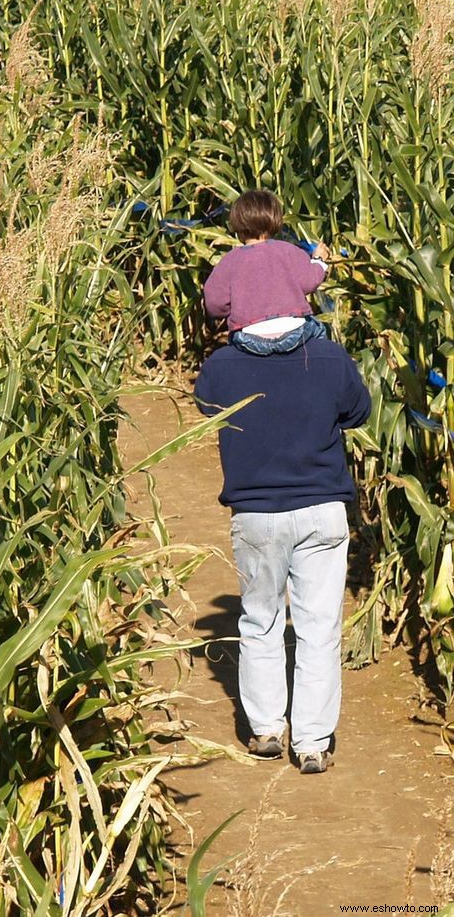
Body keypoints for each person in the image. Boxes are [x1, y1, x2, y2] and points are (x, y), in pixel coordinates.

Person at [193, 334, 371, 773]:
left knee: (260, 620)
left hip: (256, 514)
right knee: (319, 627)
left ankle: (267, 729)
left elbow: (205, 405)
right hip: (322, 511)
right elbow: (359, 412)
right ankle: (312, 743)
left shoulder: (223, 364)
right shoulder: (329, 355)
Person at [203, 189, 330, 355]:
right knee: (320, 332)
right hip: (295, 332)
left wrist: (229, 311)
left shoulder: (229, 261)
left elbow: (214, 303)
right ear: (275, 221)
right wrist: (319, 261)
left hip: (248, 337)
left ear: (237, 225)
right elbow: (310, 280)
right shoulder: (288, 250)